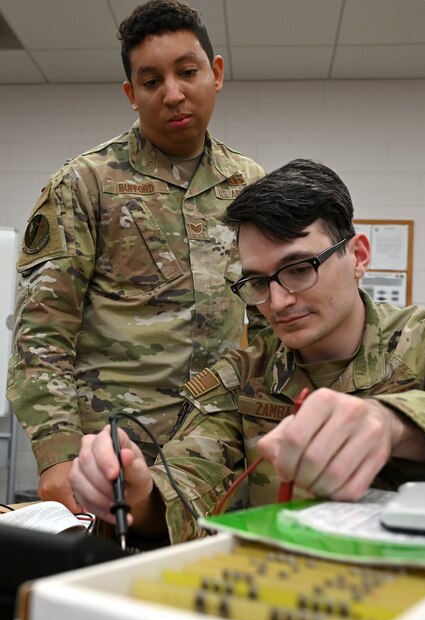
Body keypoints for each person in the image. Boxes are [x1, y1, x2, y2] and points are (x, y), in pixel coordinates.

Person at [70, 158, 425, 547]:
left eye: (298, 269)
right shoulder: (241, 377)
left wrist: (396, 425)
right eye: (258, 282)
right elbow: (189, 479)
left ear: (359, 256)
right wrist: (137, 494)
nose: (277, 302)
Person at [7, 0, 265, 512]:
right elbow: (42, 329)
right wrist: (57, 455)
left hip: (217, 451)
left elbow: (267, 321)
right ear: (131, 93)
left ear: (215, 74)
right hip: (113, 454)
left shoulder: (250, 185)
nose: (173, 94)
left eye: (187, 72)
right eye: (151, 81)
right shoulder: (86, 182)